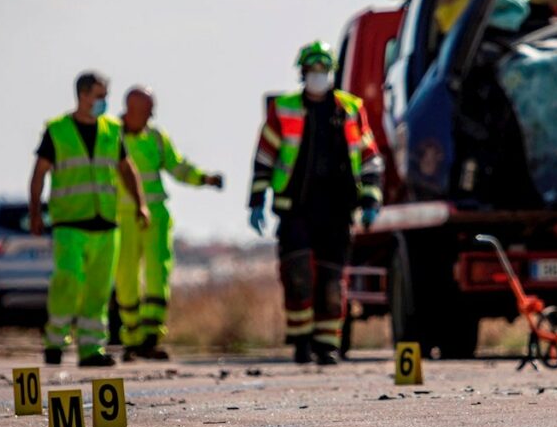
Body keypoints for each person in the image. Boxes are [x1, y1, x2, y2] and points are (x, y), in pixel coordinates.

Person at [248, 41, 384, 365]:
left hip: (337, 209)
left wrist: (370, 198)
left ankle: (327, 345)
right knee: (298, 275)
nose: (318, 76)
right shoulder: (284, 108)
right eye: (313, 70)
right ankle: (301, 342)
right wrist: (256, 200)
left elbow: (369, 158)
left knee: (332, 281)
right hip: (296, 206)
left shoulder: (350, 108)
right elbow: (265, 156)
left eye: (324, 70)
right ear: (303, 73)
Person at [29, 72, 149, 367]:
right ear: (83, 95)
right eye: (99, 95)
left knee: (98, 290)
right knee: (67, 281)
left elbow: (126, 167)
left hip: (106, 223)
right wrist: (35, 212)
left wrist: (140, 203)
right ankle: (55, 342)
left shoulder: (111, 129)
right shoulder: (57, 130)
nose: (105, 102)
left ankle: (90, 349)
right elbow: (39, 173)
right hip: (69, 223)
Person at [116, 87, 224, 362]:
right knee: (125, 276)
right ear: (132, 108)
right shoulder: (111, 135)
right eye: (147, 110)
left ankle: (151, 338)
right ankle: (131, 337)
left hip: (156, 216)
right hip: (122, 218)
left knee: (157, 274)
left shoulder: (156, 137)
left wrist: (204, 179)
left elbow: (177, 167)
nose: (151, 115)